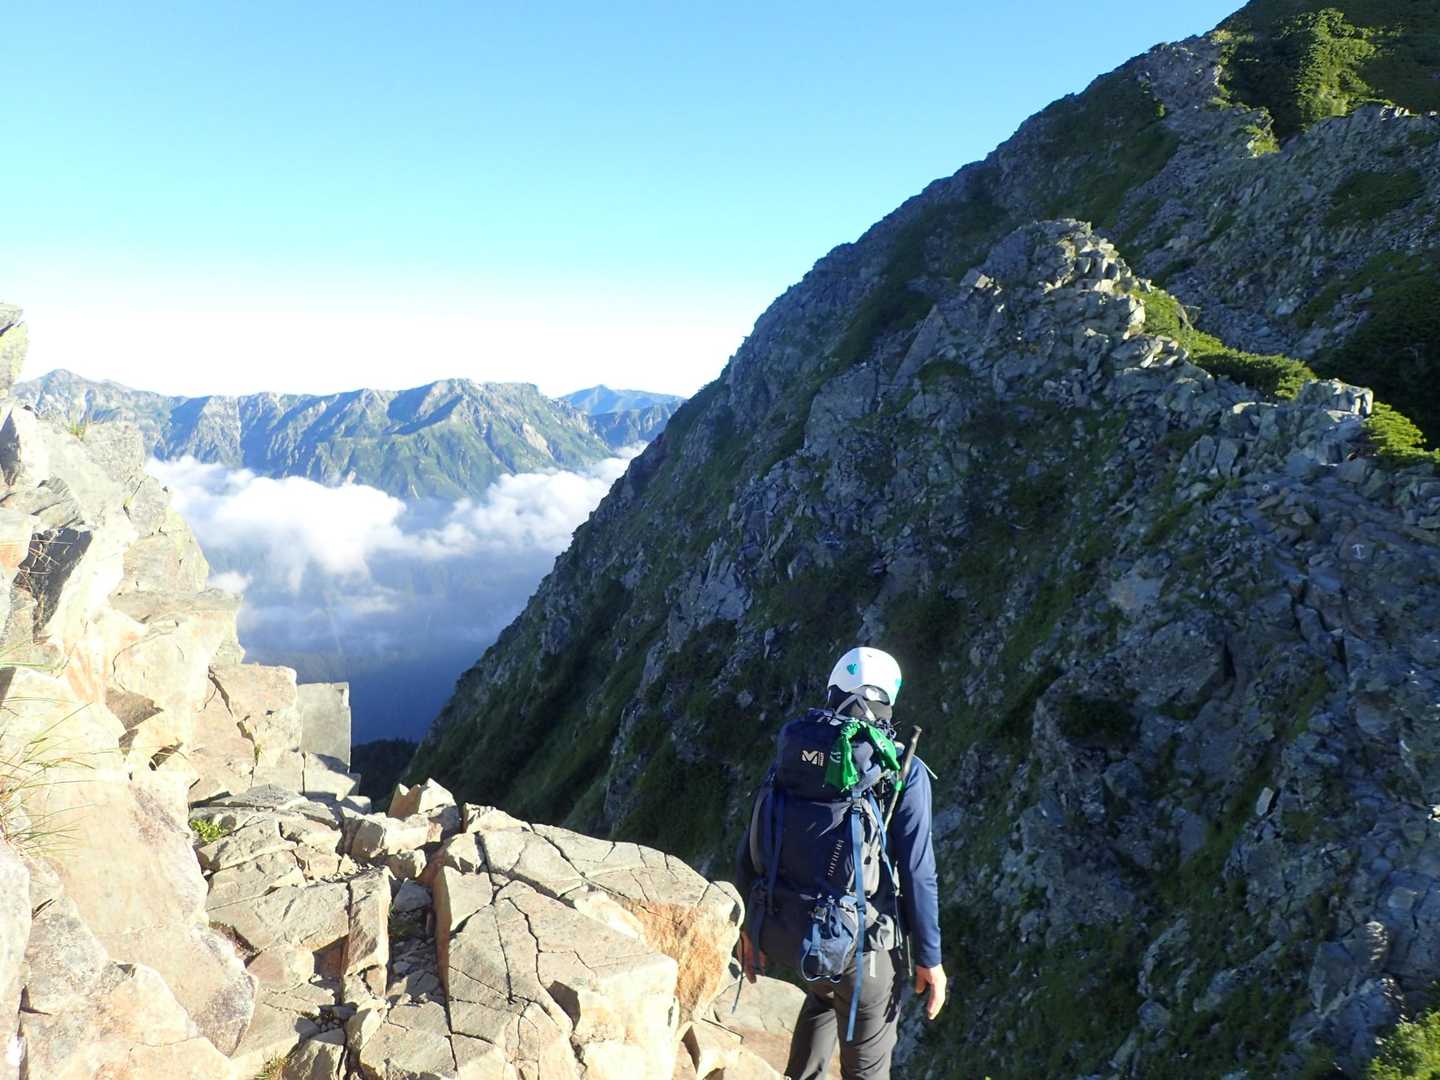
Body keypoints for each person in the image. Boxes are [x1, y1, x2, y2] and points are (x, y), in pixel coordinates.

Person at [734, 646, 946, 1080]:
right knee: (866, 1065)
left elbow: (753, 840)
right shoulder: (902, 769)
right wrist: (930, 958)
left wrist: (748, 928)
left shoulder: (795, 751)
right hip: (861, 947)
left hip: (792, 930)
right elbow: (917, 870)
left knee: (824, 998)